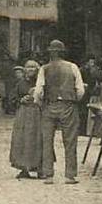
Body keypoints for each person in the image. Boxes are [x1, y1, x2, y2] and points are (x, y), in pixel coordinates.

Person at [35, 39, 86, 184]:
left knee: (47, 140)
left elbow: (38, 91)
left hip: (49, 105)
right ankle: (70, 175)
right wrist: (72, 99)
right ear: (63, 52)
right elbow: (81, 90)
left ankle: (48, 175)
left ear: (50, 53)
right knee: (70, 141)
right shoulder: (72, 67)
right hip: (68, 105)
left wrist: (41, 104)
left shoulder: (44, 68)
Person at [10, 60, 43, 179]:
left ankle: (40, 168)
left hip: (37, 113)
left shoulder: (41, 83)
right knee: (22, 139)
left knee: (37, 138)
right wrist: (21, 99)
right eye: (28, 67)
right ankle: (24, 168)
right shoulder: (20, 83)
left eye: (33, 68)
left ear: (37, 69)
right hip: (23, 113)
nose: (30, 70)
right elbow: (13, 97)